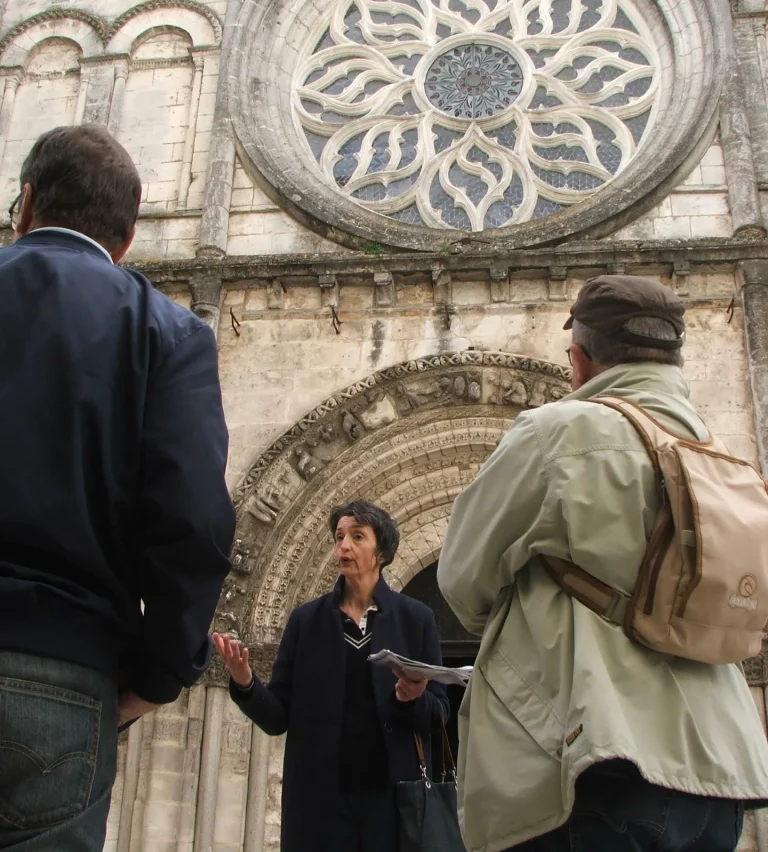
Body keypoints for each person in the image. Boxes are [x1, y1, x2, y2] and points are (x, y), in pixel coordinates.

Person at [438, 275, 768, 852]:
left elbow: (463, 580)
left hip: (599, 765)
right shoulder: (718, 454)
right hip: (722, 770)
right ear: (676, 357)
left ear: (580, 359)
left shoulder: (557, 433)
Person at [0, 125, 236, 851]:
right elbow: (192, 524)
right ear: (129, 239)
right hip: (60, 672)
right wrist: (161, 671)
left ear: (25, 205)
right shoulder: (165, 330)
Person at [215, 499, 449, 852]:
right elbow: (278, 716)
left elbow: (439, 713)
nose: (344, 546)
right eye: (339, 537)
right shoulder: (306, 621)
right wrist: (245, 682)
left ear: (381, 551)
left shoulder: (415, 619)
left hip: (392, 804)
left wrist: (412, 698)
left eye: (357, 537)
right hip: (320, 806)